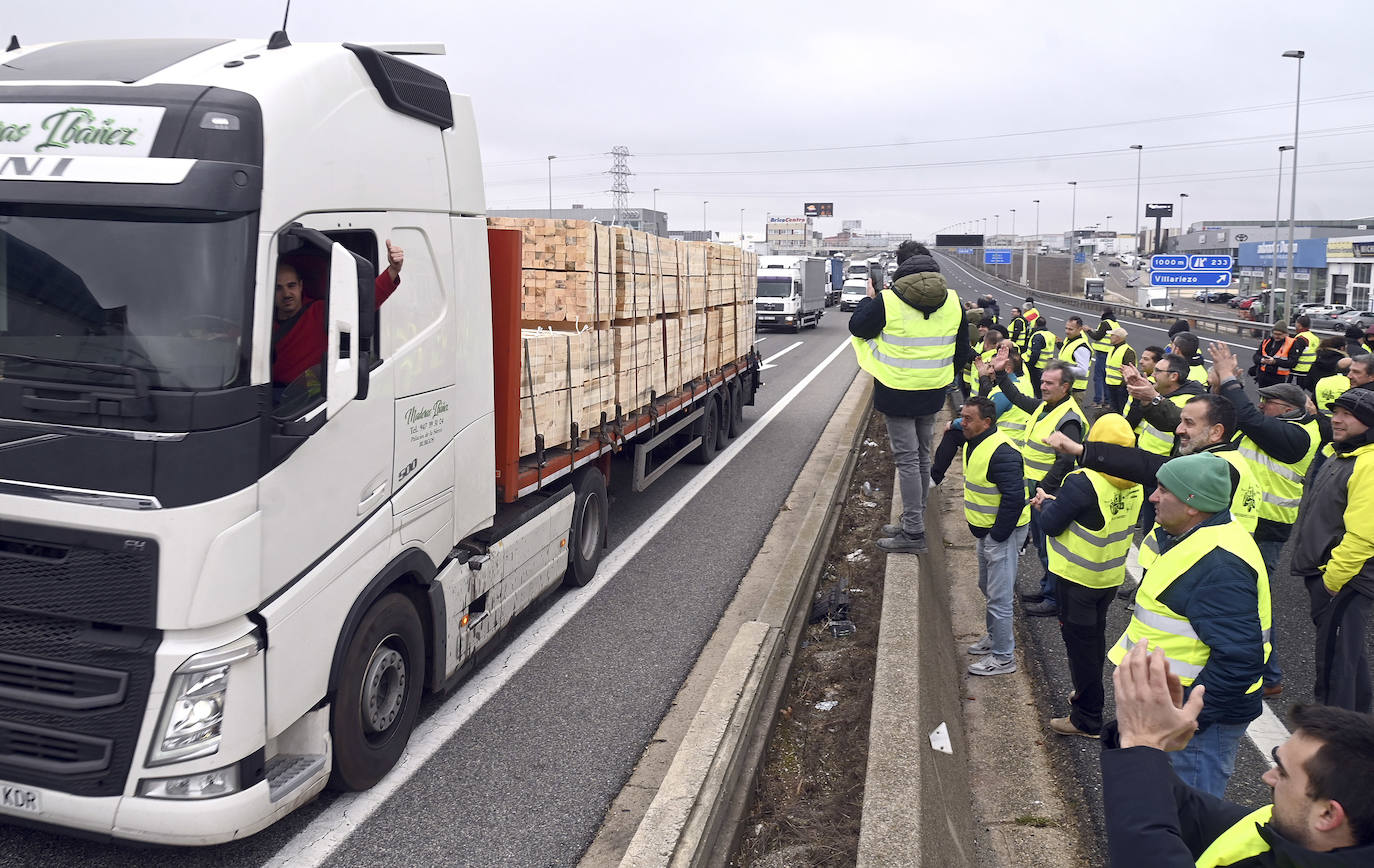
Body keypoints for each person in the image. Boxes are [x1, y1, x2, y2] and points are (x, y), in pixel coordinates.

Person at [1101, 642, 1374, 867]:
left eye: (1283, 772)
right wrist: (1140, 743)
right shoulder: (1286, 830)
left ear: (1327, 814)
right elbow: (1187, 811)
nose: (1267, 776)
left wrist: (1142, 745)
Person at [1107, 452, 1270, 798]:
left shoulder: (1219, 567)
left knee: (1189, 813)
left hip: (1195, 720)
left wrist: (1187, 719)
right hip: (1172, 706)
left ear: (1193, 505)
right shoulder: (1195, 538)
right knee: (1163, 802)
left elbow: (1239, 659)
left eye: (1164, 491)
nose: (1152, 498)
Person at [1211, 342, 1321, 697]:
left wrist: (1230, 377)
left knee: (1252, 603)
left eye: (1268, 402)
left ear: (1288, 409)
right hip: (1243, 520)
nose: (1261, 406)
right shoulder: (1275, 425)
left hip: (1266, 529)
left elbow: (1249, 418)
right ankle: (1256, 668)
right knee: (1239, 598)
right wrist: (1219, 386)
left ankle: (1269, 676)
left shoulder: (1296, 437)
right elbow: (1233, 420)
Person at [850, 241, 971, 555]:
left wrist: (869, 297)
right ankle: (912, 521)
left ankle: (914, 532)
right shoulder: (954, 301)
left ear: (900, 266)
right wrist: (940, 377)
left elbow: (857, 327)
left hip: (897, 391)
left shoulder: (889, 300)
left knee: (907, 460)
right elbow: (961, 352)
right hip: (933, 390)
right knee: (921, 457)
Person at [1037, 414, 1143, 738]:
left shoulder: (1084, 481)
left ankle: (1087, 717)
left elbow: (1052, 524)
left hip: (1076, 578)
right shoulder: (1135, 480)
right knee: (1094, 641)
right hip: (1108, 577)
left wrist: (1044, 504)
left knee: (1080, 648)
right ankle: (1087, 695)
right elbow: (1093, 515)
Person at [1290, 388, 1374, 713]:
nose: (1336, 420)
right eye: (1334, 412)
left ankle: (1329, 744)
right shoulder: (1345, 454)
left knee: (1334, 665)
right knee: (1348, 657)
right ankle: (1359, 727)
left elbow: (1364, 536)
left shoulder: (1367, 464)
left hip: (1347, 581)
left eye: (1346, 415)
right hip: (1335, 577)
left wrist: (1332, 582)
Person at [991, 359, 1085, 617]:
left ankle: (1054, 599)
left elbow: (1065, 460)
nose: (1042, 386)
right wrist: (1000, 374)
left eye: (1049, 383)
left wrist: (1043, 490)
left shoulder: (1068, 419)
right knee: (1042, 545)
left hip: (1049, 492)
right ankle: (1047, 589)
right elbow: (1019, 399)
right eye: (1042, 381)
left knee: (1050, 546)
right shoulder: (1047, 407)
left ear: (1065, 387)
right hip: (1035, 488)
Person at [957, 397, 1030, 677]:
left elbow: (1013, 499)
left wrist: (997, 537)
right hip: (987, 531)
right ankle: (994, 638)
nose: (962, 423)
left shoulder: (1002, 453)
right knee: (985, 584)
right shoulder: (974, 441)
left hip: (1003, 533)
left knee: (999, 597)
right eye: (962, 417)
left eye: (968, 419)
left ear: (986, 422)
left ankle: (1003, 657)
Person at [274, 239, 404, 391]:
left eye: (291, 286)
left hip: (303, 401)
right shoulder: (261, 322)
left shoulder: (319, 311)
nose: (286, 294)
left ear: (301, 286)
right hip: (268, 398)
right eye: (278, 288)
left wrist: (393, 271)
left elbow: (364, 303)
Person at [1088, 307, 1121, 408]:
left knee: (1098, 377)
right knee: (1106, 378)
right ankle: (1107, 401)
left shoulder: (1105, 323)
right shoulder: (1115, 323)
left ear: (1104, 313)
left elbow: (1098, 336)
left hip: (1102, 353)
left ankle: (1097, 401)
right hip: (1110, 353)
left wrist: (1088, 330)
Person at [1252, 323, 1299, 388]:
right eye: (1274, 334)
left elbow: (1293, 363)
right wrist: (1261, 360)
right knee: (1263, 397)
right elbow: (1256, 356)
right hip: (1263, 376)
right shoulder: (1267, 341)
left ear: (1285, 334)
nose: (1276, 336)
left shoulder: (1292, 344)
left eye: (1279, 334)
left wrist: (1275, 362)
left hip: (1279, 378)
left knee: (1276, 397)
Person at [1057, 316, 1092, 399]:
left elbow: (1083, 371)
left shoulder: (1081, 347)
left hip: (1075, 389)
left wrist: (1062, 369)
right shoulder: (1069, 340)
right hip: (1066, 386)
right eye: (1066, 328)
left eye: (1070, 329)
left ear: (1080, 329)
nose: (1067, 331)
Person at [1103, 327, 1136, 413]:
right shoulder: (1112, 349)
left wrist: (1122, 385)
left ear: (1118, 337)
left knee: (1121, 410)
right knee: (1113, 410)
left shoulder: (1128, 351)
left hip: (1120, 388)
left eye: (1112, 335)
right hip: (1111, 385)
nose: (1110, 337)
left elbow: (1130, 370)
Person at [1025, 317, 1056, 398]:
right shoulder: (1051, 335)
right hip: (1047, 366)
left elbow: (1035, 353)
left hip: (1037, 368)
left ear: (1035, 324)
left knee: (1037, 391)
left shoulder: (1038, 336)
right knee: (1044, 391)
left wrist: (1029, 366)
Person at [1291, 315, 1318, 392]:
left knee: (1293, 395)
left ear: (1299, 325)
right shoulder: (1315, 338)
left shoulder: (1300, 338)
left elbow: (1294, 356)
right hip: (1310, 371)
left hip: (1298, 371)